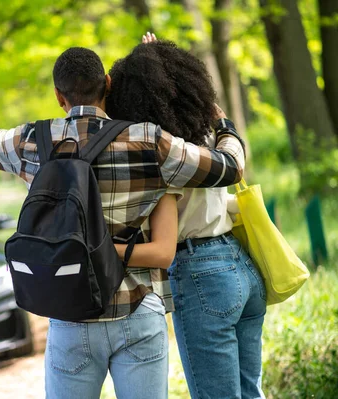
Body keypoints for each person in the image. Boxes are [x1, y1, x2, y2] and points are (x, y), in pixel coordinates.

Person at [0, 46, 245, 398]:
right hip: (137, 311)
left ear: (59, 96)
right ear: (108, 85)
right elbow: (229, 167)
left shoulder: (34, 141)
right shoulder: (148, 141)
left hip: (71, 314)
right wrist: (223, 124)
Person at [107, 36, 266, 399]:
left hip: (200, 274)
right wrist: (161, 60)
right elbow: (235, 158)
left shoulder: (160, 151)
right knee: (249, 393)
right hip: (240, 263)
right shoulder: (208, 135)